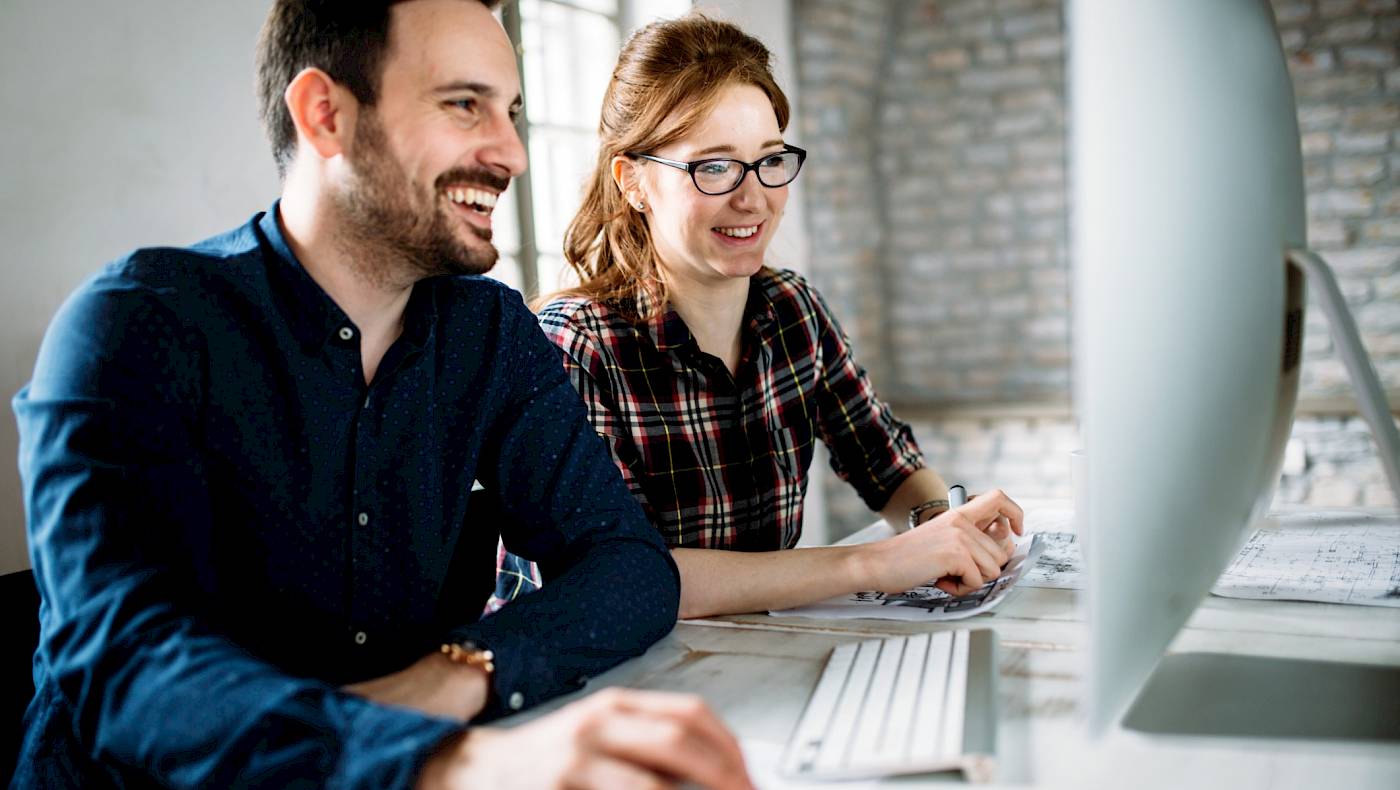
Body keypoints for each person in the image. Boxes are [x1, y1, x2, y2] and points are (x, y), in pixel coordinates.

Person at [11, 2, 753, 787]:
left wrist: (459, 673)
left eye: (512, 112)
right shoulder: (134, 324)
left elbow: (629, 563)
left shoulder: (489, 331)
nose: (511, 153)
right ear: (325, 115)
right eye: (464, 105)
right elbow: (130, 670)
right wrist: (439, 757)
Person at [495, 15, 1023, 620]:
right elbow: (623, 575)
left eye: (770, 160)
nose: (754, 198)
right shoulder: (574, 347)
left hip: (738, 655)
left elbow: (890, 468)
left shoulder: (793, 311)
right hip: (583, 679)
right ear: (634, 181)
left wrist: (943, 522)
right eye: (714, 167)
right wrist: (876, 563)